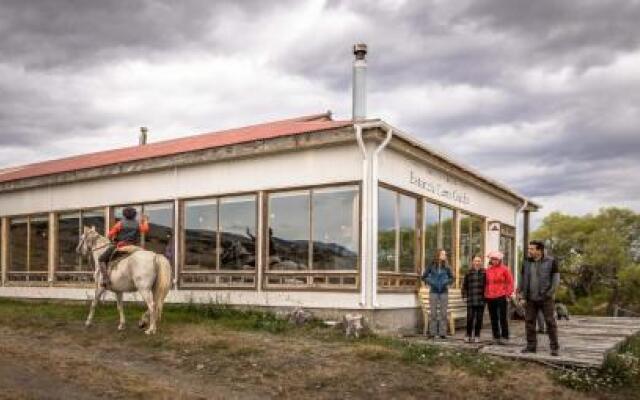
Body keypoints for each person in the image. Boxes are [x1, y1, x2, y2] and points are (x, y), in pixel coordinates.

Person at [518, 240, 560, 356]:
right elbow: (521, 279)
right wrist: (521, 296)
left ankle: (554, 347)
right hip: (530, 298)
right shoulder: (526, 262)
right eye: (529, 248)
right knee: (529, 322)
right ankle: (531, 347)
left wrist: (549, 294)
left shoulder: (551, 261)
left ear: (539, 250)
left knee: (550, 322)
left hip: (546, 298)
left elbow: (556, 281)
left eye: (531, 249)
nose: (529, 251)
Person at [98, 207, 149, 288]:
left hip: (121, 246)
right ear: (134, 215)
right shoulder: (138, 224)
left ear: (124, 215)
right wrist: (145, 220)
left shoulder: (120, 223)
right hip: (134, 246)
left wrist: (114, 237)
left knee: (101, 258)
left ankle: (105, 279)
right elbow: (145, 229)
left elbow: (109, 235)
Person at [422, 249, 454, 339]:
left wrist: (446, 282)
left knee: (443, 313)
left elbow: (452, 278)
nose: (445, 255)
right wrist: (431, 282)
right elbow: (424, 277)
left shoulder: (447, 266)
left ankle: (443, 333)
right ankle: (432, 333)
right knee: (433, 313)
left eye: (445, 254)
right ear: (438, 255)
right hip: (433, 291)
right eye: (443, 254)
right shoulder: (431, 265)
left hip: (444, 291)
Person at [484, 250, 514, 345]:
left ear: (499, 260)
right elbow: (486, 283)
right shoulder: (488, 270)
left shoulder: (505, 269)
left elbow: (510, 282)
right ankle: (496, 336)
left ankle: (505, 336)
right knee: (493, 317)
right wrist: (485, 293)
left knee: (502, 317)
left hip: (501, 296)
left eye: (496, 259)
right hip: (490, 296)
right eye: (492, 259)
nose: (494, 261)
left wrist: (508, 294)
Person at [461, 255, 486, 343]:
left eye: (479, 261)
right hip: (471, 299)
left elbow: (487, 286)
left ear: (481, 262)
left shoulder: (484, 273)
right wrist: (464, 296)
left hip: (481, 299)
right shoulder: (468, 273)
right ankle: (468, 335)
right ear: (472, 262)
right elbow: (464, 286)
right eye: (475, 261)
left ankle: (477, 335)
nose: (477, 263)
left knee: (479, 319)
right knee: (470, 318)